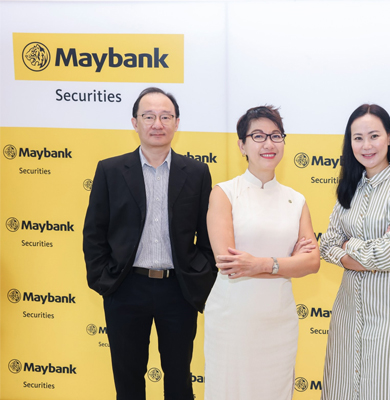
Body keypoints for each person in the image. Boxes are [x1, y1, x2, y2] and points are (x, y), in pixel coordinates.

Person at [83, 87, 216, 400]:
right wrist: (105, 280)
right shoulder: (110, 170)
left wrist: (200, 276)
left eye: (166, 116)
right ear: (135, 122)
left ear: (177, 123)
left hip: (179, 290)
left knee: (179, 380)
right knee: (128, 380)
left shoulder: (197, 173)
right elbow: (94, 232)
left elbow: (208, 235)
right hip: (125, 287)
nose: (158, 123)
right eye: (149, 116)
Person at [203, 105, 320, 400]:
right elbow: (230, 265)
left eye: (275, 135)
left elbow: (312, 262)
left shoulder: (296, 200)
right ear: (242, 145)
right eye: (258, 136)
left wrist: (258, 263)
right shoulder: (225, 193)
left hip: (279, 322)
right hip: (233, 320)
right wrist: (287, 262)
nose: (268, 143)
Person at [320, 104, 390, 400]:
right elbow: (326, 243)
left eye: (374, 136)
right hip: (348, 312)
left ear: (389, 137)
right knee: (344, 388)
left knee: (389, 389)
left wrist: (349, 246)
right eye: (358, 138)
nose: (366, 145)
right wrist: (355, 254)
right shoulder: (350, 187)